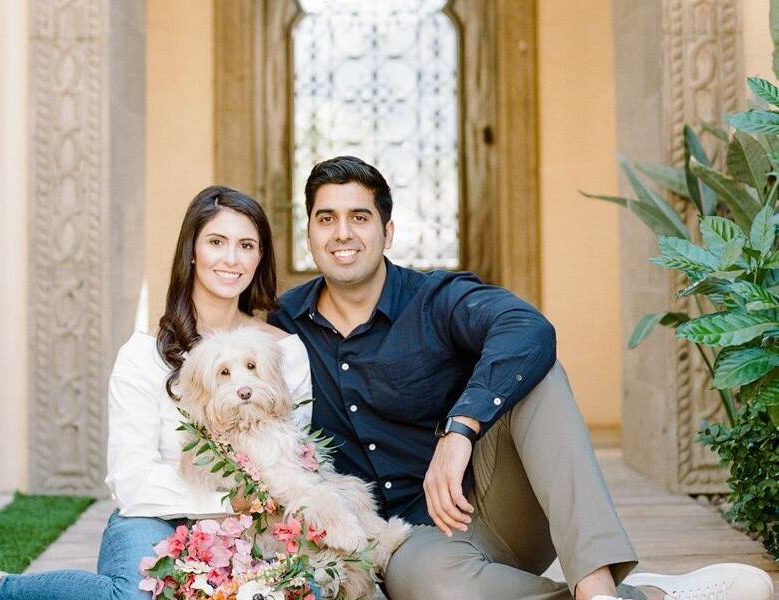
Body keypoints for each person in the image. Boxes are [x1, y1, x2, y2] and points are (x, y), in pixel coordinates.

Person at [267, 155, 775, 600]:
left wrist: (460, 429)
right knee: (428, 589)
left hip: (491, 504)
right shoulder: (283, 324)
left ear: (387, 231)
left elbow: (527, 327)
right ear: (309, 232)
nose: (343, 234)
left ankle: (595, 583)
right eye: (326, 218)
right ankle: (639, 596)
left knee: (536, 371)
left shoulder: (434, 298)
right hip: (410, 541)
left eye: (360, 217)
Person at [0, 186, 313, 600]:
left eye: (247, 245)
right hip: (156, 516)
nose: (232, 259)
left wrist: (248, 511)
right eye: (217, 242)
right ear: (192, 252)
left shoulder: (283, 351)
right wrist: (226, 499)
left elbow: (290, 456)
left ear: (260, 257)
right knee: (134, 596)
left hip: (251, 524)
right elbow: (132, 480)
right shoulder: (143, 354)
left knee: (301, 592)